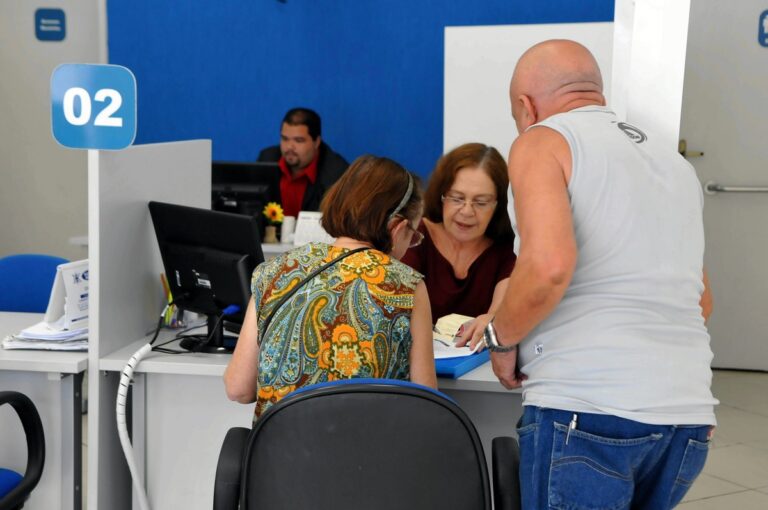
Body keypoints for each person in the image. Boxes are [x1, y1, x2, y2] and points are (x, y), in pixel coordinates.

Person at [475, 40, 717, 509]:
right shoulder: (673, 163)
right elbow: (702, 300)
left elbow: (547, 267)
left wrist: (500, 339)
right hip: (686, 416)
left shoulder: (542, 140)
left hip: (585, 410)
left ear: (525, 106)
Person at [224, 155, 437, 420]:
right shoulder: (407, 285)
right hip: (373, 457)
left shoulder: (275, 272)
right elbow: (427, 404)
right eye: (413, 236)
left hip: (279, 458)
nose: (410, 245)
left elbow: (238, 388)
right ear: (397, 228)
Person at [401, 143, 515, 341]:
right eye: (457, 198)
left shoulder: (507, 249)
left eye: (480, 202)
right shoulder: (414, 236)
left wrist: (492, 319)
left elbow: (498, 315)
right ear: (441, 196)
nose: (467, 211)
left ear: (498, 205)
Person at [257, 107, 349, 217]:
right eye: (285, 139)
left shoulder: (337, 172)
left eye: (298, 140)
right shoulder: (267, 159)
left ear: (316, 142)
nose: (289, 147)